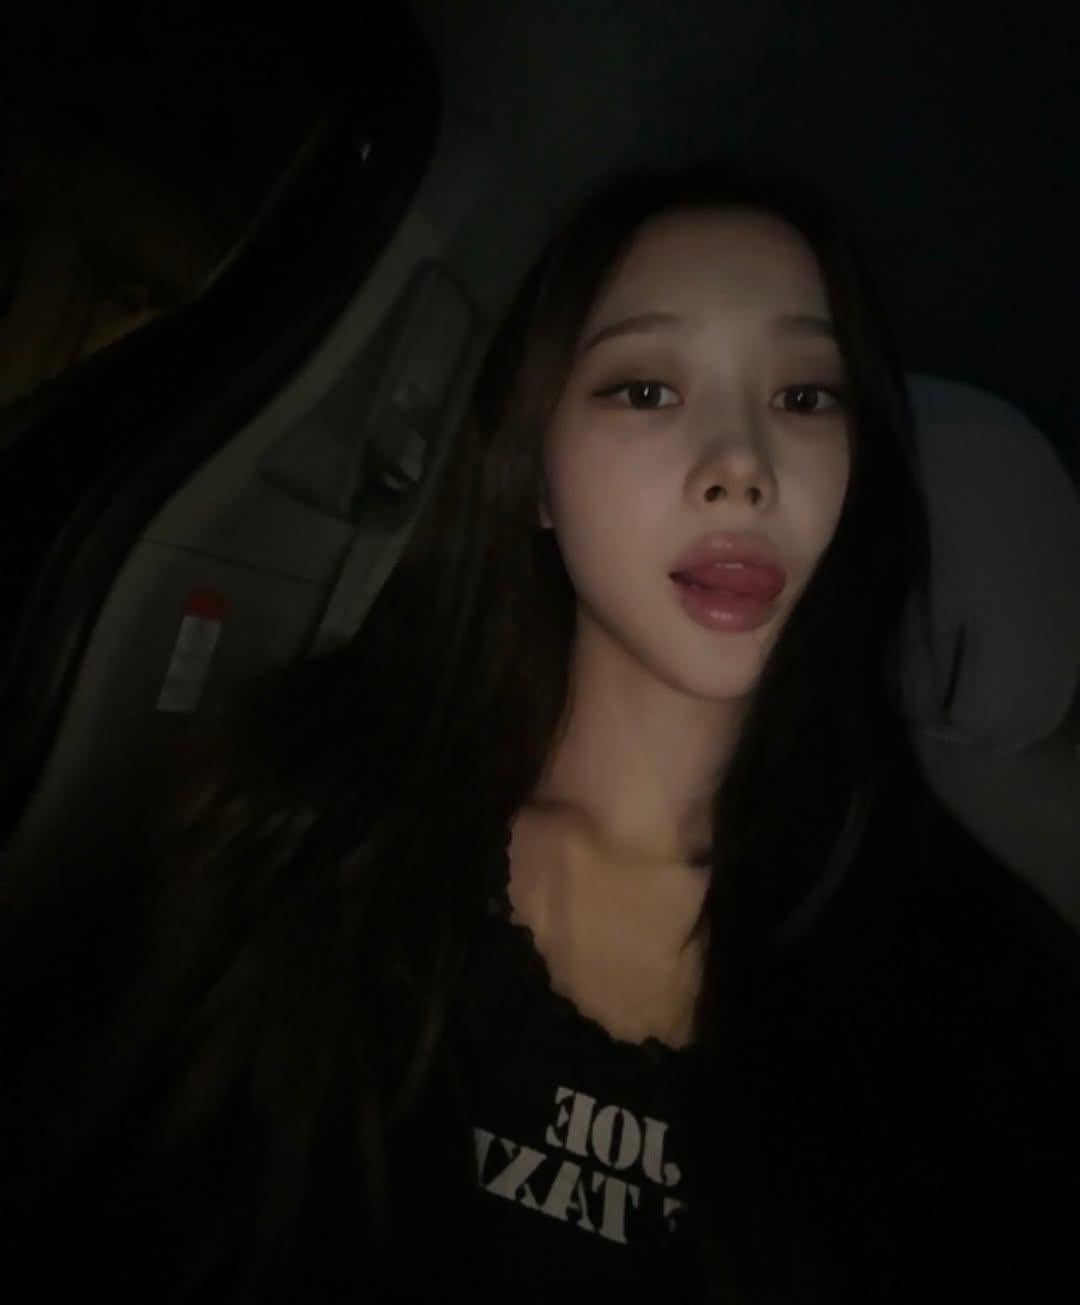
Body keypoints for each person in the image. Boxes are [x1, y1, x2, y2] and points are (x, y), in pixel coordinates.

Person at [2, 156, 1079, 1305]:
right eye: (646, 389)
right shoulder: (292, 828)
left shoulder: (983, 997)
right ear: (534, 476)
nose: (742, 468)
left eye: (806, 397)